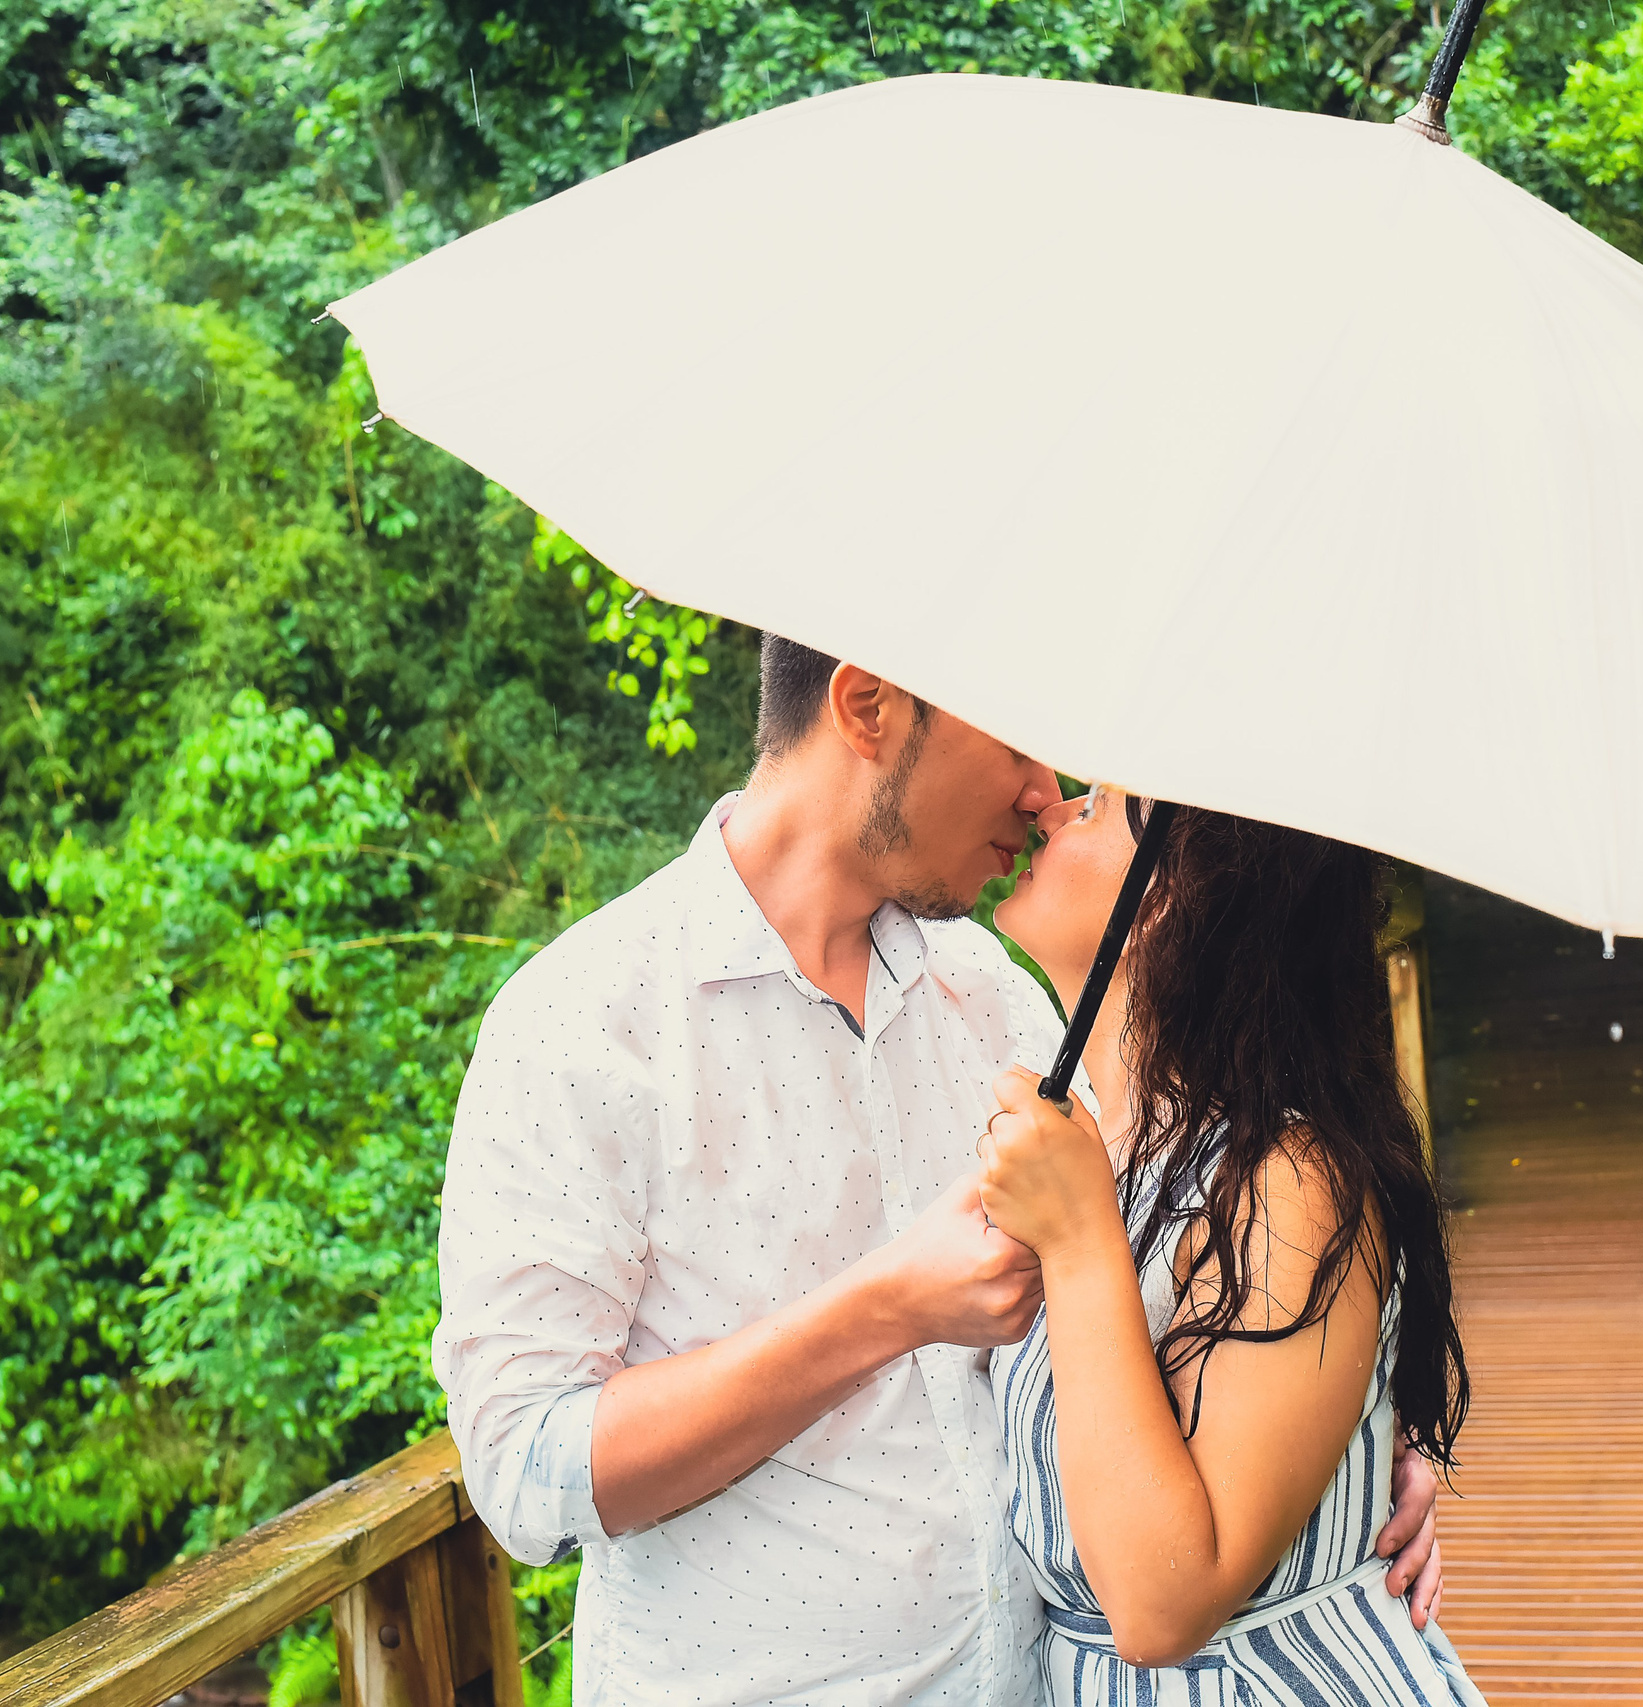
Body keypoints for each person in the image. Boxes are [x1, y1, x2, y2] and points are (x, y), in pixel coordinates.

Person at [432, 637, 1445, 1707]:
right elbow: (524, 1473)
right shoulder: (581, 1028)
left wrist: (1338, 1455)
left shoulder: (1001, 1006)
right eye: (1017, 738)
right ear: (868, 708)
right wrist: (885, 1309)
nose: (1042, 792)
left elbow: (1188, 1268)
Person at [980, 788, 1479, 1704]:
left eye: (1096, 810)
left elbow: (1163, 1603)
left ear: (1170, 901)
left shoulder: (1289, 1178)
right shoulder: (1098, 1144)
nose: (1052, 808)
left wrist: (1081, 1238)